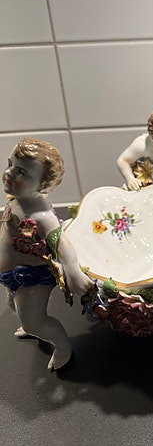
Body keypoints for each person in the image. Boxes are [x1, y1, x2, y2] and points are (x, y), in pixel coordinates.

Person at [0, 138, 94, 370]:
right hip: (12, 275)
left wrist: (73, 272)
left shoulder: (41, 216)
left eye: (22, 172)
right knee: (13, 305)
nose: (9, 173)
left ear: (43, 186)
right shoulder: (16, 200)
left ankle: (60, 345)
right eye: (10, 164)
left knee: (32, 320)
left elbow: (63, 244)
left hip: (32, 277)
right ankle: (31, 323)